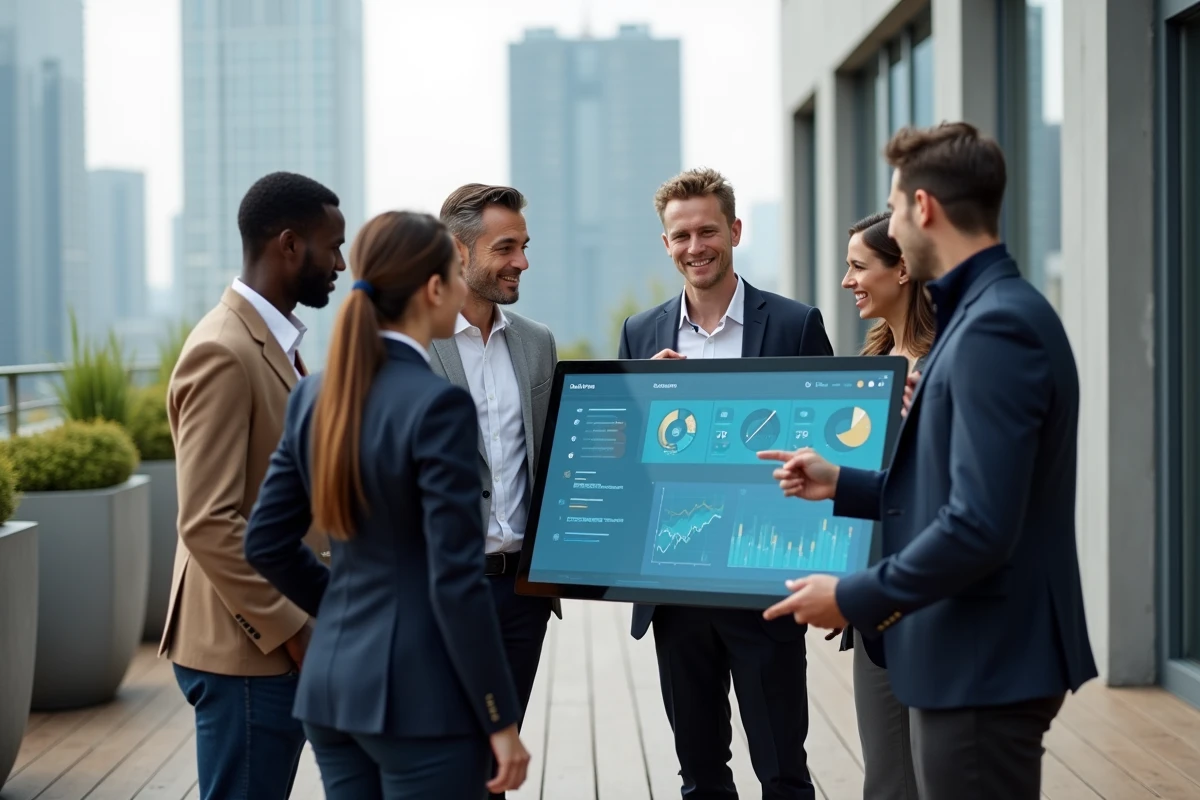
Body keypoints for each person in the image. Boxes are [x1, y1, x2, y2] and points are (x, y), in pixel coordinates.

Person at [758, 122, 1097, 800]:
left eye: (895, 202)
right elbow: (954, 487)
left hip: (981, 654)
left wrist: (849, 595)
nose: (893, 220)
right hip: (975, 650)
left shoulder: (993, 328)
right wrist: (841, 484)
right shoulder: (985, 315)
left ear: (924, 209)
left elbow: (978, 525)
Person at [243, 211, 530, 799]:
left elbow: (265, 541)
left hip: (334, 689)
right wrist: (500, 719)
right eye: (453, 274)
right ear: (432, 289)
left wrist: (348, 606)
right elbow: (456, 580)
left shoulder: (314, 393)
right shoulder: (438, 406)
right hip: (421, 700)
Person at [618, 167, 833, 800]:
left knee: (784, 773)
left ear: (734, 230)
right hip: (675, 587)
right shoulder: (641, 333)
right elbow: (627, 465)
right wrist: (640, 403)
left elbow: (825, 451)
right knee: (700, 774)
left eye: (707, 231)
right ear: (665, 244)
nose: (695, 247)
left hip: (762, 581)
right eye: (680, 235)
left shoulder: (795, 326)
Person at [159, 171, 344, 800]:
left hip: (274, 640)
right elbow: (207, 519)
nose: (341, 262)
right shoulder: (222, 350)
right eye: (332, 245)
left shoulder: (275, 342)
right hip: (247, 649)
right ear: (289, 246)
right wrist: (294, 629)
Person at [429, 184, 558, 800]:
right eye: (505, 248)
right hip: (441, 596)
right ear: (458, 251)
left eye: (524, 247)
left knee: (495, 774)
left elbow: (561, 450)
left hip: (519, 595)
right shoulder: (410, 344)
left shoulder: (537, 344)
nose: (522, 262)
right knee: (446, 764)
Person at [837, 210, 934, 799]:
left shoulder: (945, 364)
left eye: (858, 266)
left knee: (936, 776)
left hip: (930, 605)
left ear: (902, 270)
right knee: (885, 778)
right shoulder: (872, 366)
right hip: (873, 609)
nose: (848, 280)